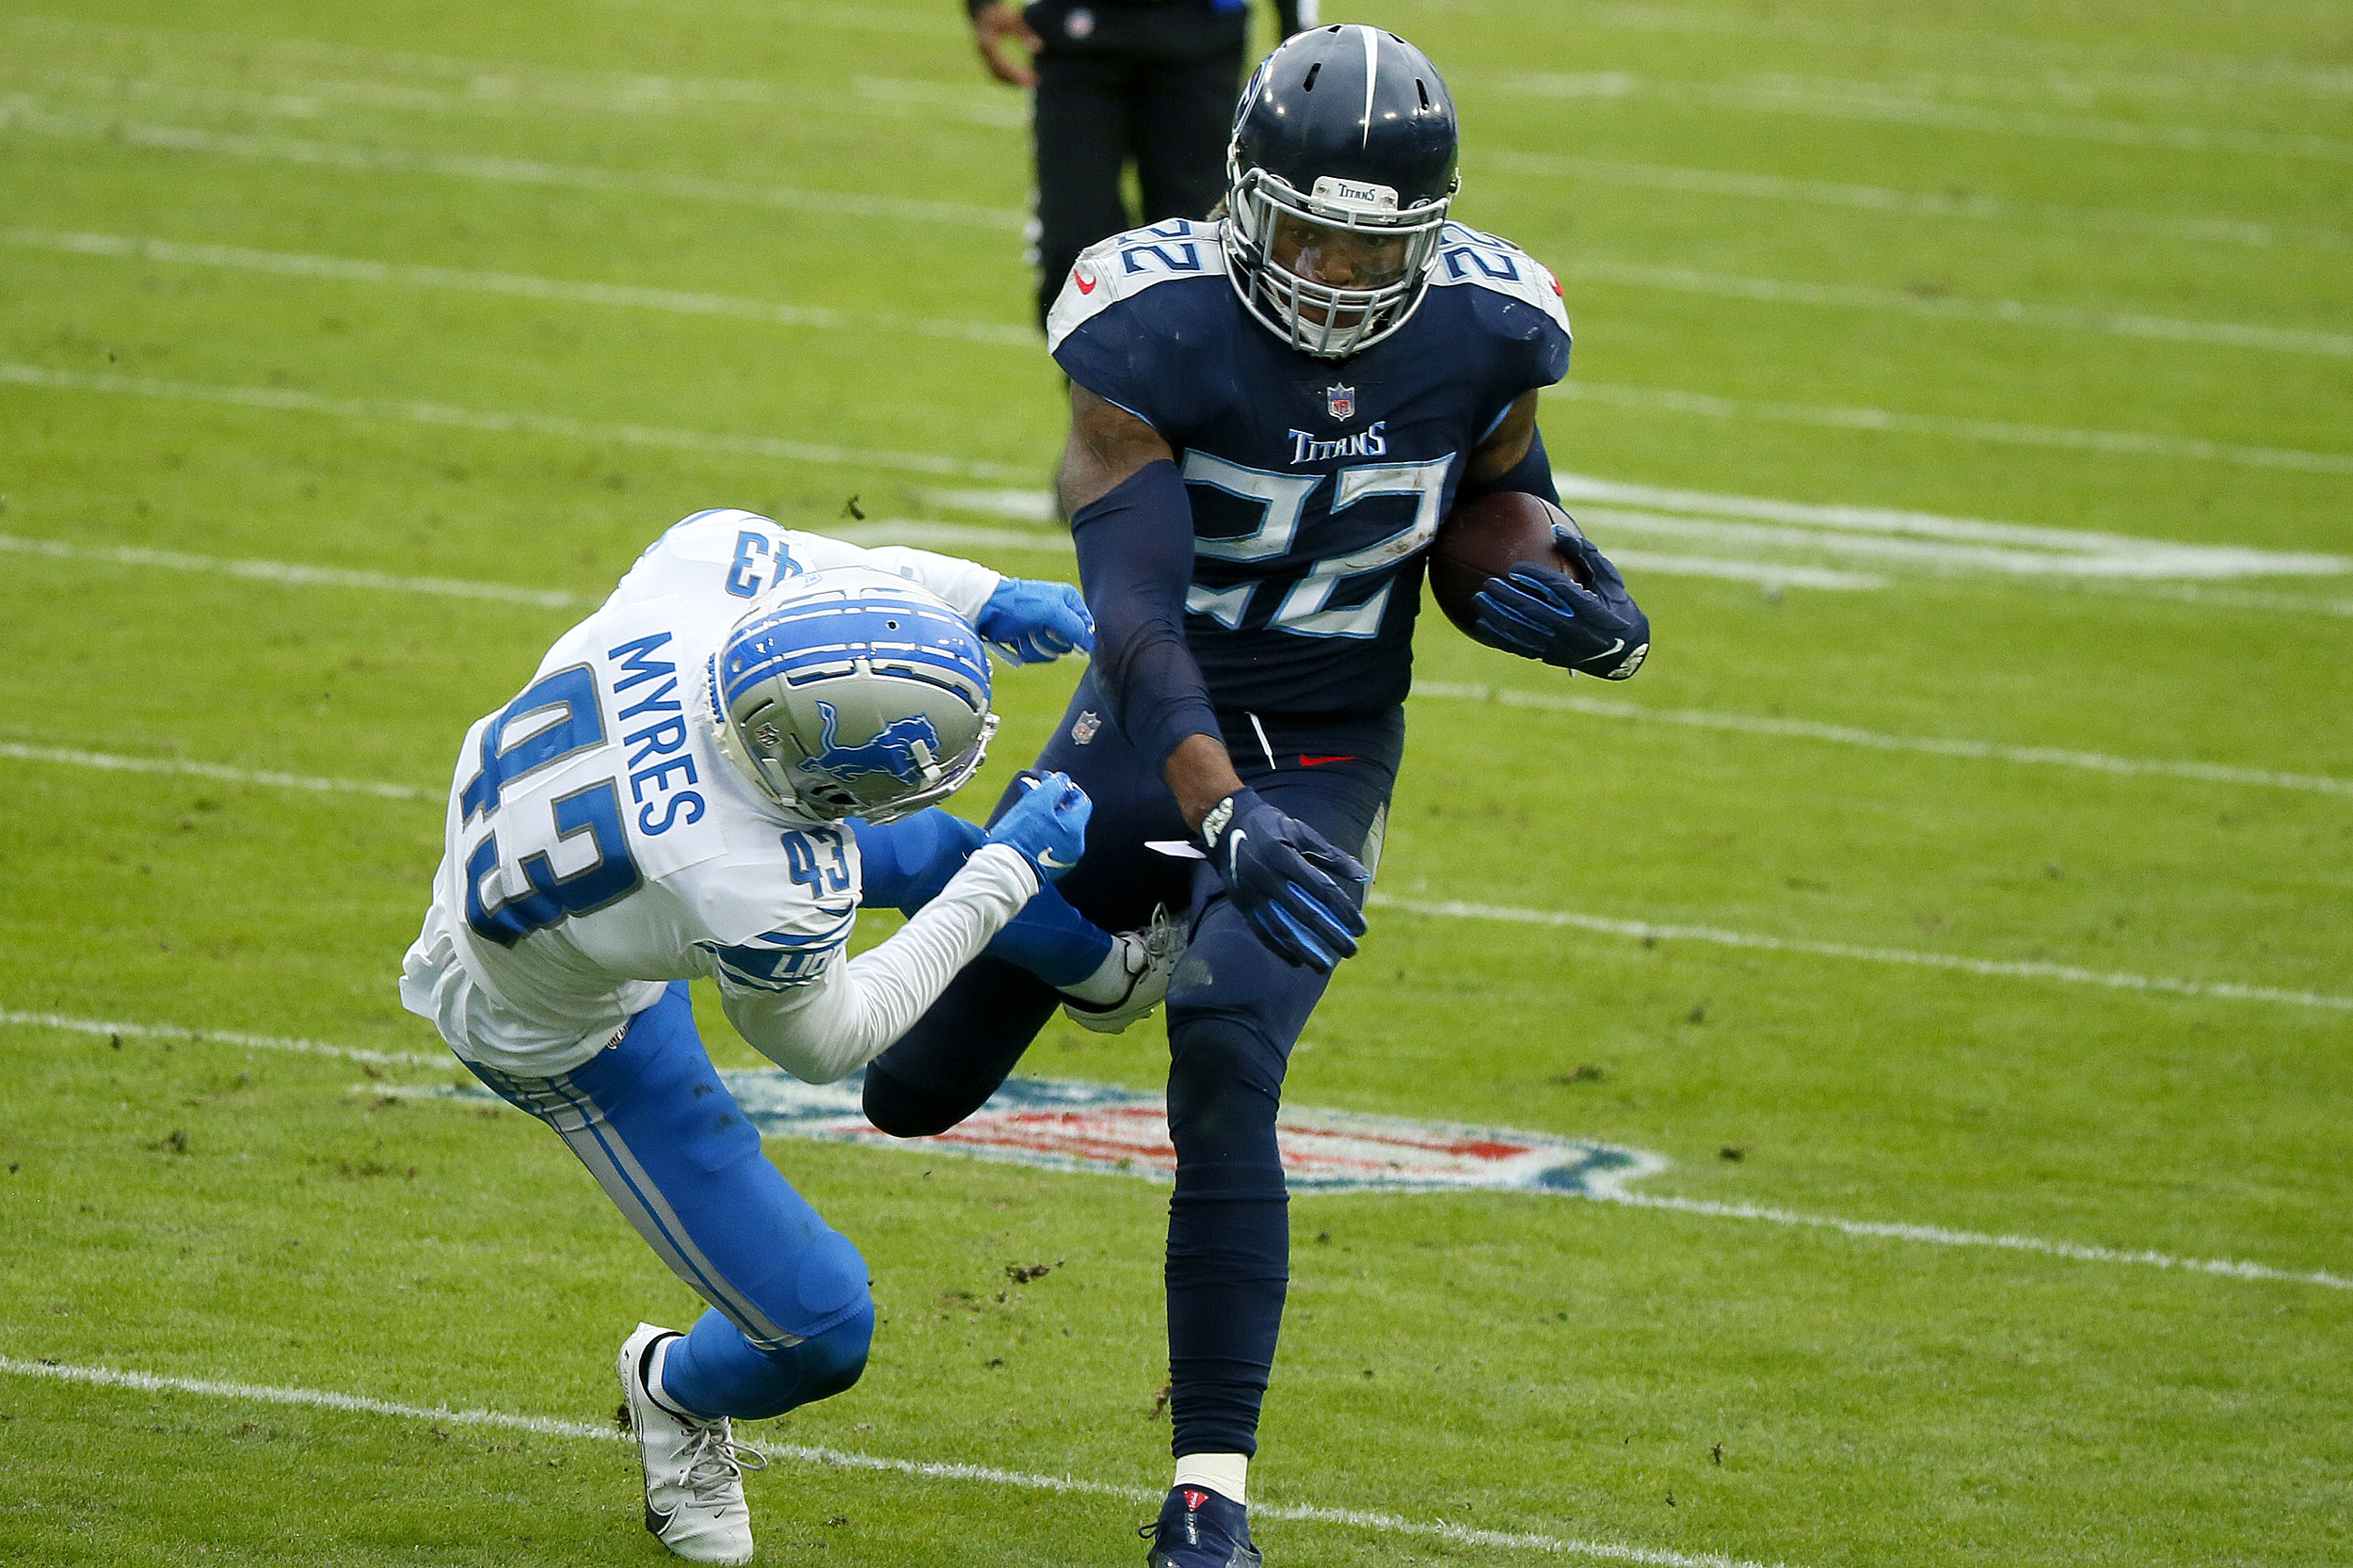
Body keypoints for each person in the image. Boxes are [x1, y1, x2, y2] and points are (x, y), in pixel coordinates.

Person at [864, 24, 1653, 1567]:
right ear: (1242, 204)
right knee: (910, 1093)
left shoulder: (1495, 326)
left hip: (1334, 743)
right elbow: (1141, 623)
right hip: (1150, 724)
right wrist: (1214, 805)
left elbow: (1492, 499)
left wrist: (1572, 591)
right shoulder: (1147, 325)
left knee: (1227, 1060)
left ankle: (1210, 1495)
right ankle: (1111, 954)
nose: (1338, 284)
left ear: (1431, 238)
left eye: (1376, 253)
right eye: (1307, 240)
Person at [396, 508, 1180, 1565]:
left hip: (596, 873)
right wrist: (1008, 871)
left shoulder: (698, 575)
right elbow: (830, 1036)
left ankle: (1099, 974)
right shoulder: (756, 884)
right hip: (566, 1026)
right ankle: (670, 1390)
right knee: (819, 1327)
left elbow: (844, 573)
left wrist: (985, 599)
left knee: (927, 849)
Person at [965, 0, 1316, 329]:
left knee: (1202, 257)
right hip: (1075, 40)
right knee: (1071, 251)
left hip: (1198, 44)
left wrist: (1301, 52)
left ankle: (1185, 392)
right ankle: (1097, 391)